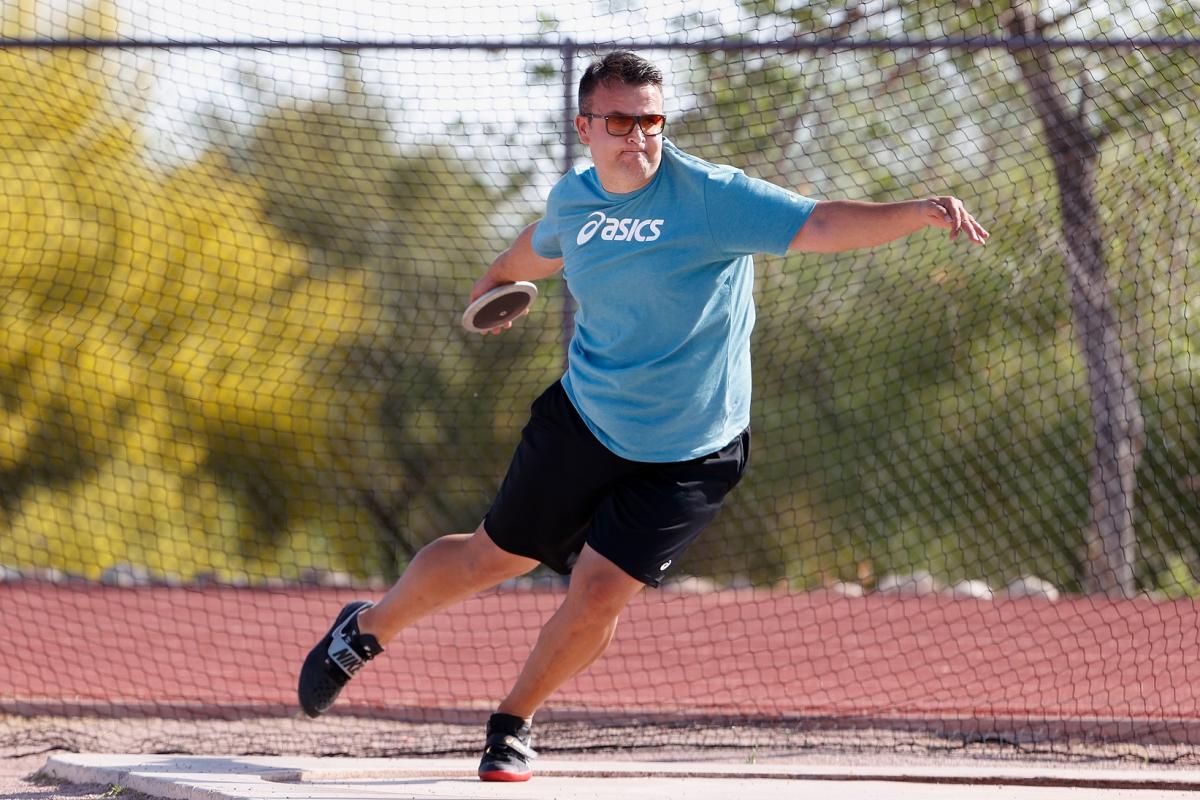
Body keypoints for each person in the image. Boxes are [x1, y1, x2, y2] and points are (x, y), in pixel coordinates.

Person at [297, 50, 989, 782]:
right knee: (493, 558)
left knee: (598, 593)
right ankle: (363, 632)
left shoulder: (712, 198)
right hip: (586, 420)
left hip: (694, 450)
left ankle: (512, 721)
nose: (639, 136)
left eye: (651, 120)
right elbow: (535, 251)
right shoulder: (575, 202)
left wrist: (916, 212)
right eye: (621, 120)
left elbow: (818, 224)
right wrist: (497, 281)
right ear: (586, 127)